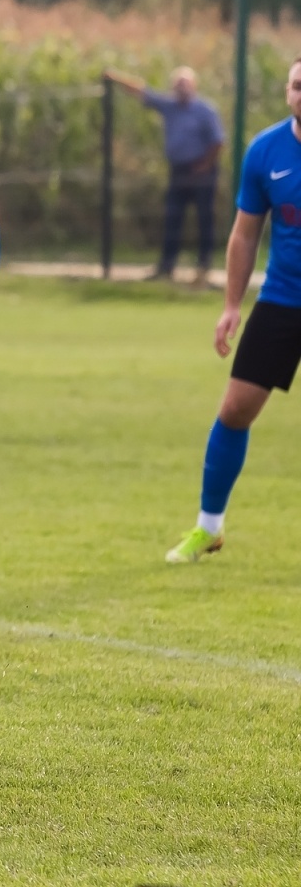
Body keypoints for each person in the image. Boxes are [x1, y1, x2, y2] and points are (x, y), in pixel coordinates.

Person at [165, 58, 301, 563]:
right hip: (284, 299)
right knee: (235, 409)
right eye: (297, 86)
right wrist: (230, 305)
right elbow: (245, 234)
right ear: (287, 92)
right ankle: (209, 528)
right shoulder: (266, 151)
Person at [106, 67, 224, 284]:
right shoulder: (169, 107)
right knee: (172, 218)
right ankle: (166, 267)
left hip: (201, 172)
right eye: (177, 85)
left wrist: (205, 165)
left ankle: (203, 267)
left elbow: (218, 141)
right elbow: (141, 91)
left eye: (185, 85)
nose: (181, 89)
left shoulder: (205, 110)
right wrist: (114, 77)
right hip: (178, 171)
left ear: (193, 86)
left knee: (204, 219)